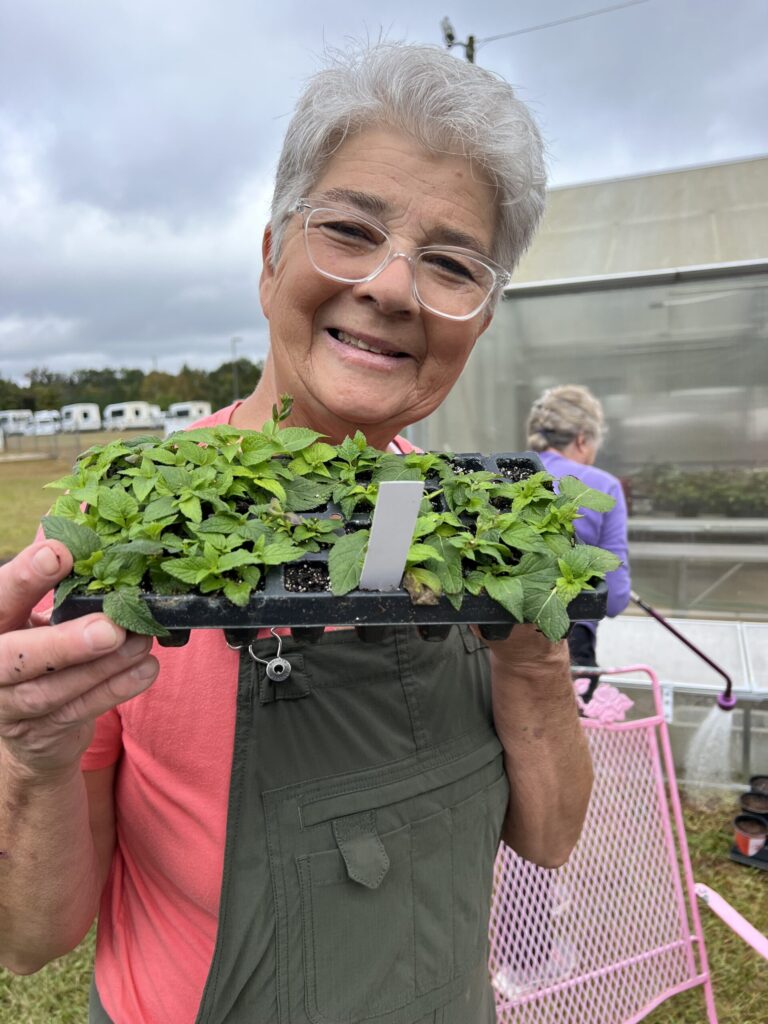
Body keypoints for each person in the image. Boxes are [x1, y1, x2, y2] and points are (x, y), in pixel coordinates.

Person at [0, 43, 593, 1024]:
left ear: (479, 320)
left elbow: (551, 838)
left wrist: (535, 662)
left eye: (452, 264)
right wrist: (32, 756)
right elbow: (28, 942)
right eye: (351, 230)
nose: (393, 287)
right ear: (272, 256)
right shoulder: (131, 530)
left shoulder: (477, 533)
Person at [526, 384, 631, 693]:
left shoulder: (503, 476)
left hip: (492, 641)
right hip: (567, 647)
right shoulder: (602, 487)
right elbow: (614, 599)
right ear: (582, 439)